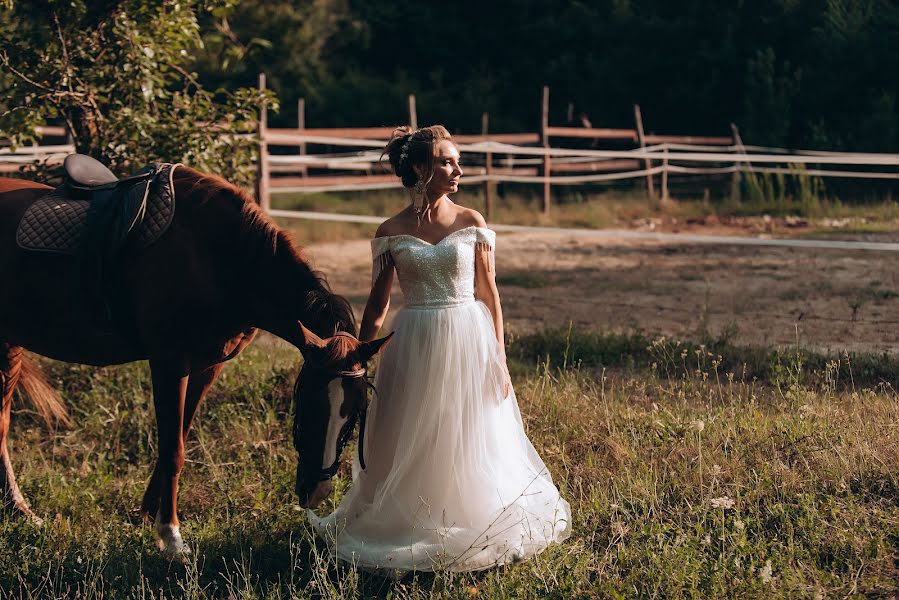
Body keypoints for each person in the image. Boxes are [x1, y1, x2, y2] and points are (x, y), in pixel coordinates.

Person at [307, 125, 571, 574]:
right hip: (411, 338)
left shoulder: (472, 222)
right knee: (411, 425)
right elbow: (377, 303)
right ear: (418, 168)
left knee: (466, 426)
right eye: (446, 161)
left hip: (467, 335)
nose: (457, 170)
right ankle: (409, 516)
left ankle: (466, 515)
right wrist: (359, 354)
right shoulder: (391, 230)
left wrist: (499, 358)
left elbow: (489, 294)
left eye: (456, 160)